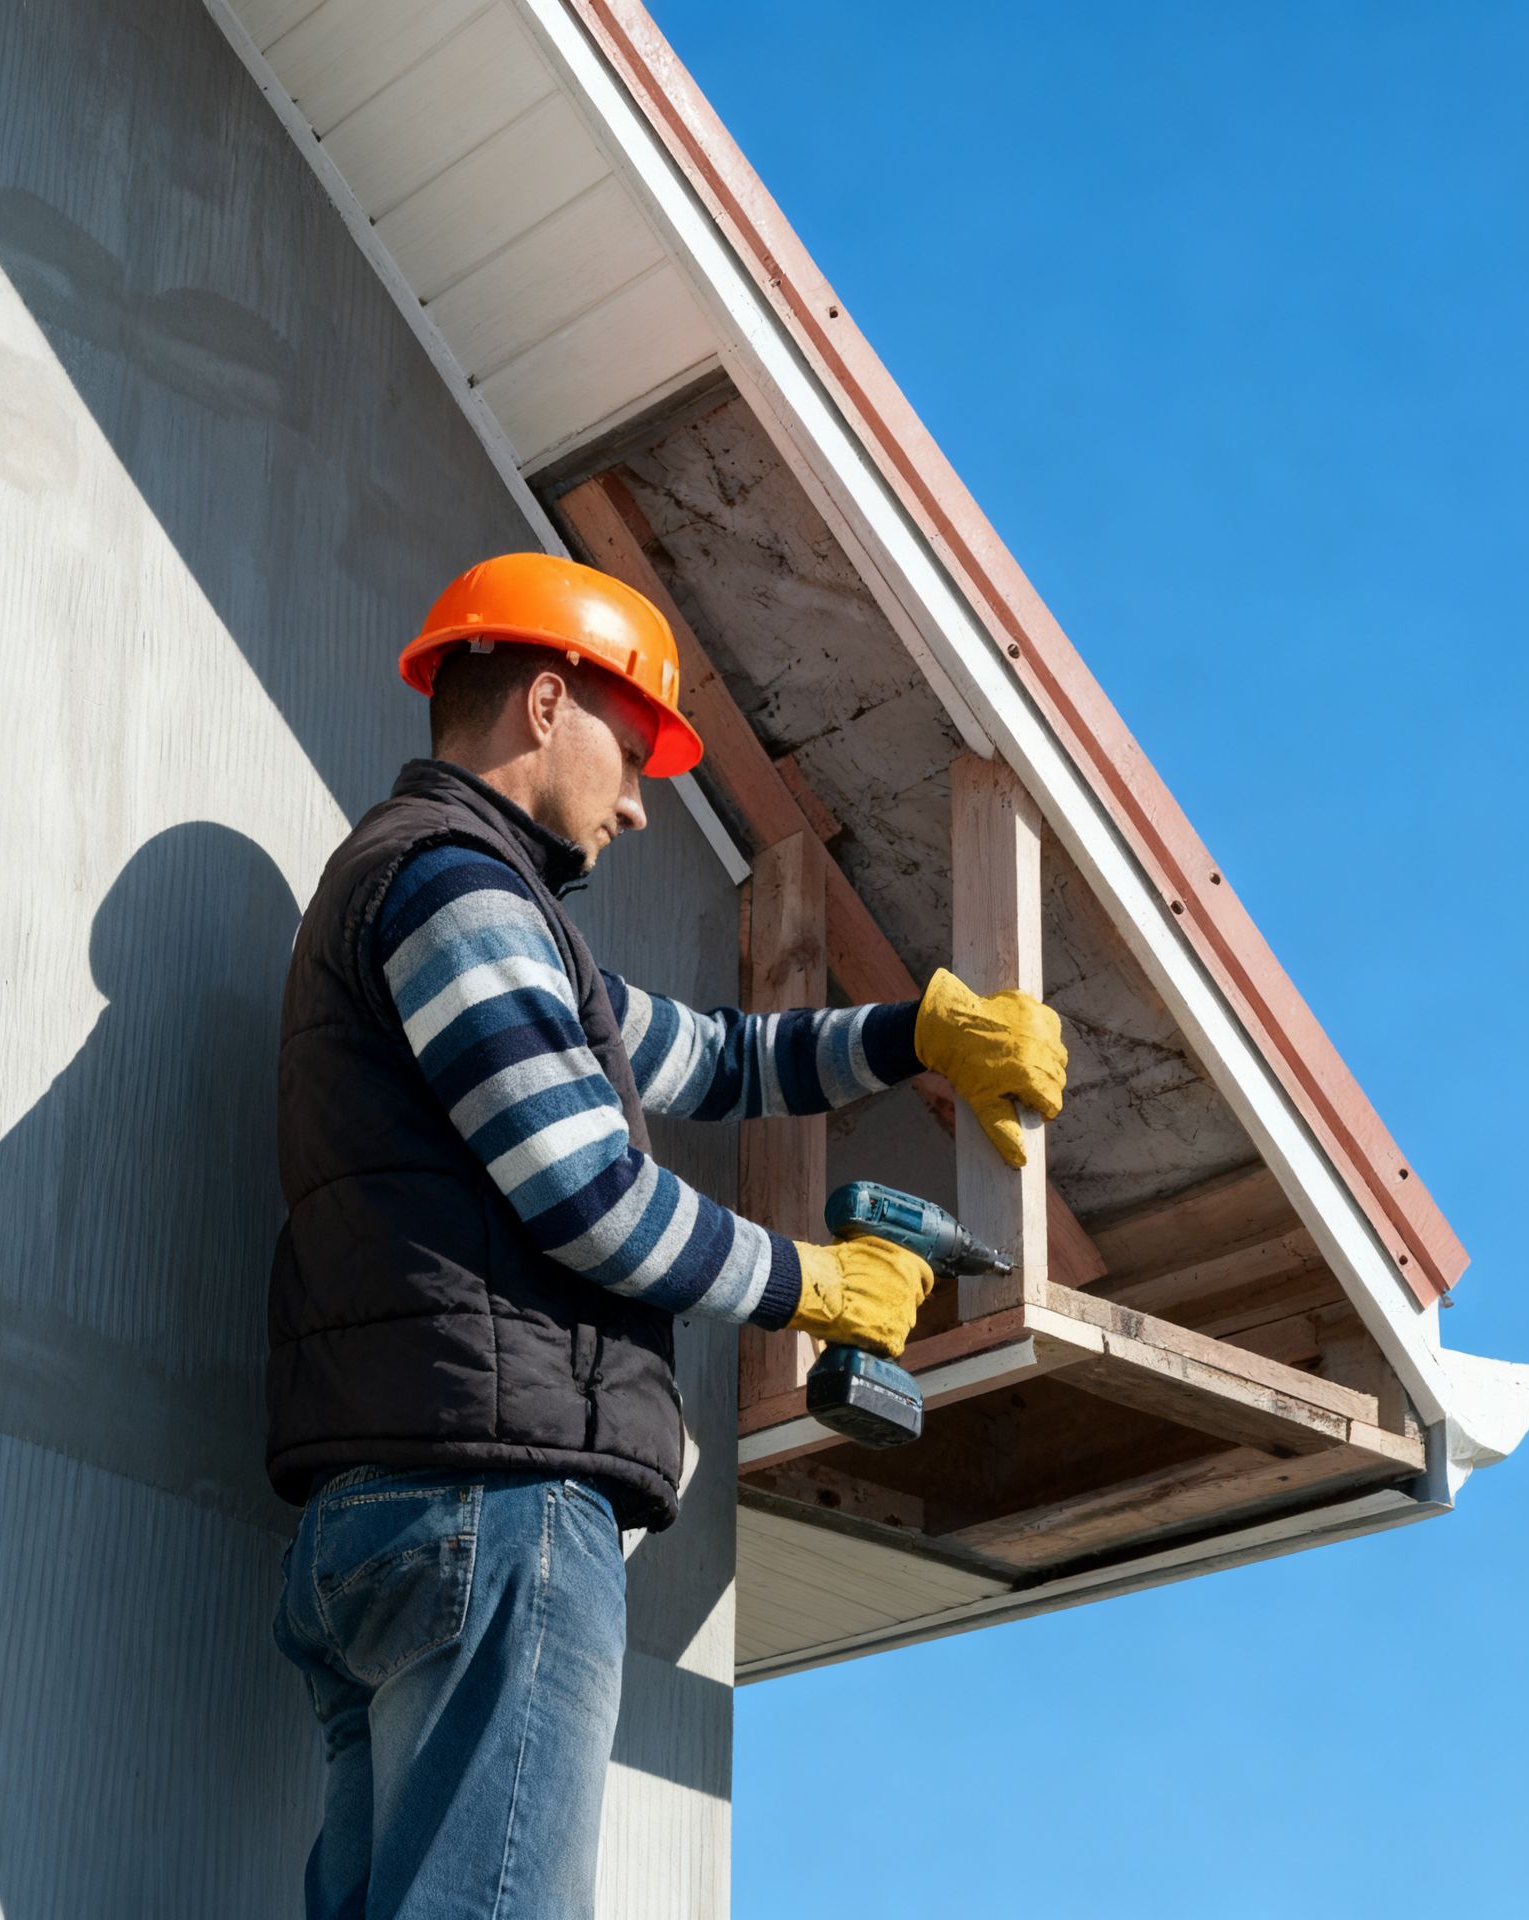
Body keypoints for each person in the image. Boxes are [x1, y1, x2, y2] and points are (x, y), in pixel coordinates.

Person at [266, 552, 1067, 1919]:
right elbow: (587, 1195)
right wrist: (814, 1284)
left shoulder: (472, 908)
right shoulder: (454, 891)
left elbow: (699, 1061)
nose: (643, 805)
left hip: (394, 1512)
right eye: (633, 755)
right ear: (542, 702)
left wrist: (915, 1033)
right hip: (494, 1502)